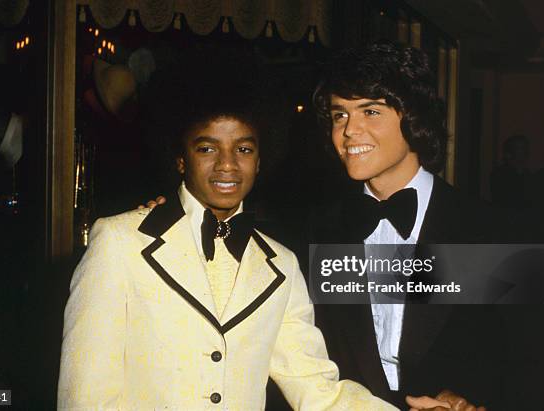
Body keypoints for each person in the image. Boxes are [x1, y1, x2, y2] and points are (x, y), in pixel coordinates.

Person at [57, 69, 395, 410]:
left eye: (244, 149)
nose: (227, 165)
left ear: (260, 160)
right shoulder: (119, 242)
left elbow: (319, 391)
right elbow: (85, 396)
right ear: (180, 158)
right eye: (207, 148)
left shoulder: (282, 264)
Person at [310, 41, 506, 410]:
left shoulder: (489, 229)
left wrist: (466, 399)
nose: (350, 130)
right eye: (340, 115)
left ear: (413, 116)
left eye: (370, 111)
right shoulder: (320, 229)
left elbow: (521, 359)